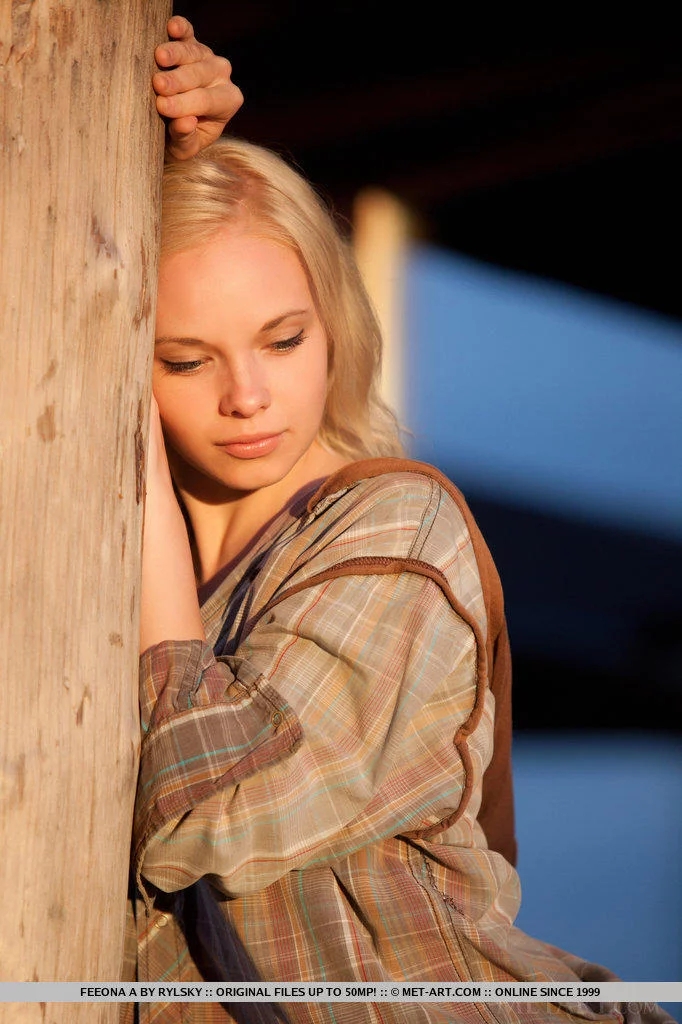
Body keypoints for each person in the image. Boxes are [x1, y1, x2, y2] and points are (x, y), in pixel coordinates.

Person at [133, 21, 676, 1024]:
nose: (247, 396)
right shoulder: (98, 569)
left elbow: (211, 814)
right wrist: (119, 126)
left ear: (333, 325)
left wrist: (144, 521)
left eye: (283, 339)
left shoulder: (397, 530)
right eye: (186, 359)